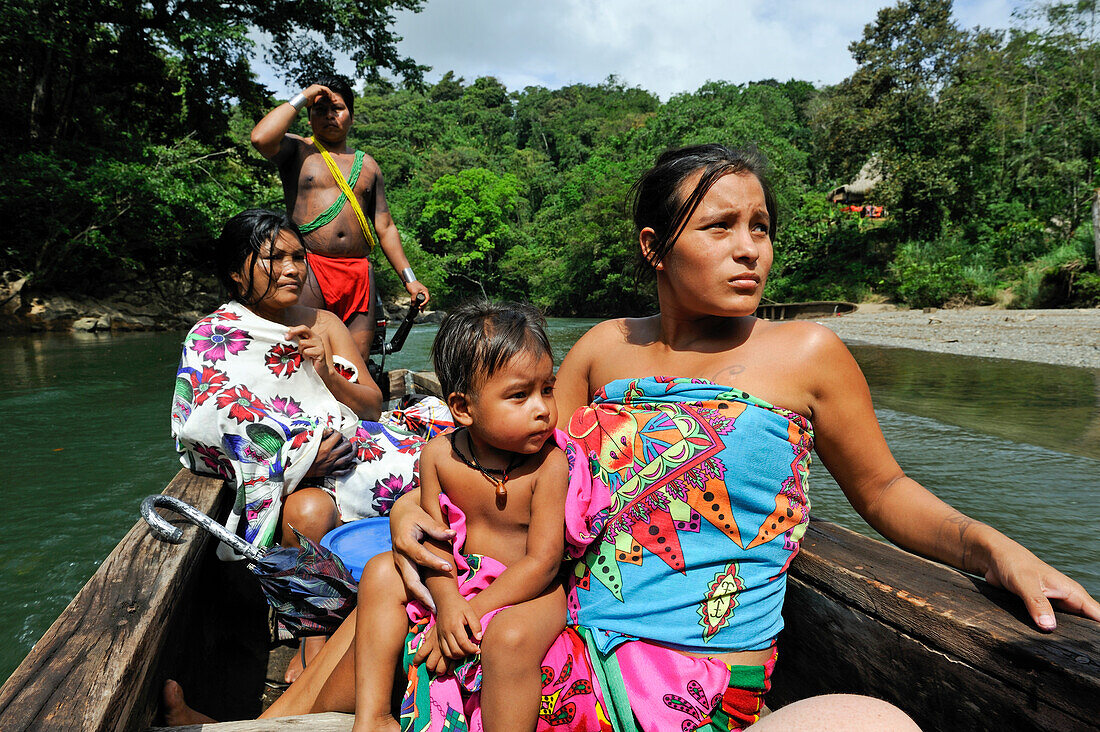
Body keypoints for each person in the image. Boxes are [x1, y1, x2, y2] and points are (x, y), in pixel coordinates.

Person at [166, 146, 1100, 729]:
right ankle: (257, 722)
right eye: (722, 227)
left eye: (763, 228)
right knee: (405, 593)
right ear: (656, 249)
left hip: (684, 658)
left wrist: (990, 545)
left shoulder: (807, 353)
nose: (752, 249)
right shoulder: (607, 349)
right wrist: (417, 502)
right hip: (563, 623)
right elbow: (516, 457)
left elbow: (887, 494)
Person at [171, 208, 423, 681]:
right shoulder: (211, 336)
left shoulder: (324, 323)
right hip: (284, 473)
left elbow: (370, 406)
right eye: (274, 258)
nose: (292, 269)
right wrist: (300, 457)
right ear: (235, 273)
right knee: (306, 511)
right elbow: (202, 422)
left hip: (351, 452)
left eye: (297, 257)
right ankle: (314, 633)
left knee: (431, 469)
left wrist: (327, 370)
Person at [353, 301, 570, 732]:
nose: (542, 408)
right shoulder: (438, 455)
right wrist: (449, 602)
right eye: (519, 395)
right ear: (464, 408)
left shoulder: (550, 465)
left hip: (529, 591)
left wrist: (473, 610)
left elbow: (543, 562)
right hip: (461, 579)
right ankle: (372, 716)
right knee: (379, 572)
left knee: (508, 638)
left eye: (548, 388)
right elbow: (433, 539)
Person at [250, 75, 430, 364]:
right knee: (306, 352)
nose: (329, 116)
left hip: (359, 273)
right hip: (311, 267)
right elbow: (260, 138)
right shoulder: (298, 150)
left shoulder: (368, 165)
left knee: (355, 360)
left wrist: (410, 280)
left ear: (352, 116)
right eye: (320, 110)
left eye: (338, 108)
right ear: (308, 117)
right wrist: (304, 97)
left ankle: (353, 409)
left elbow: (385, 226)